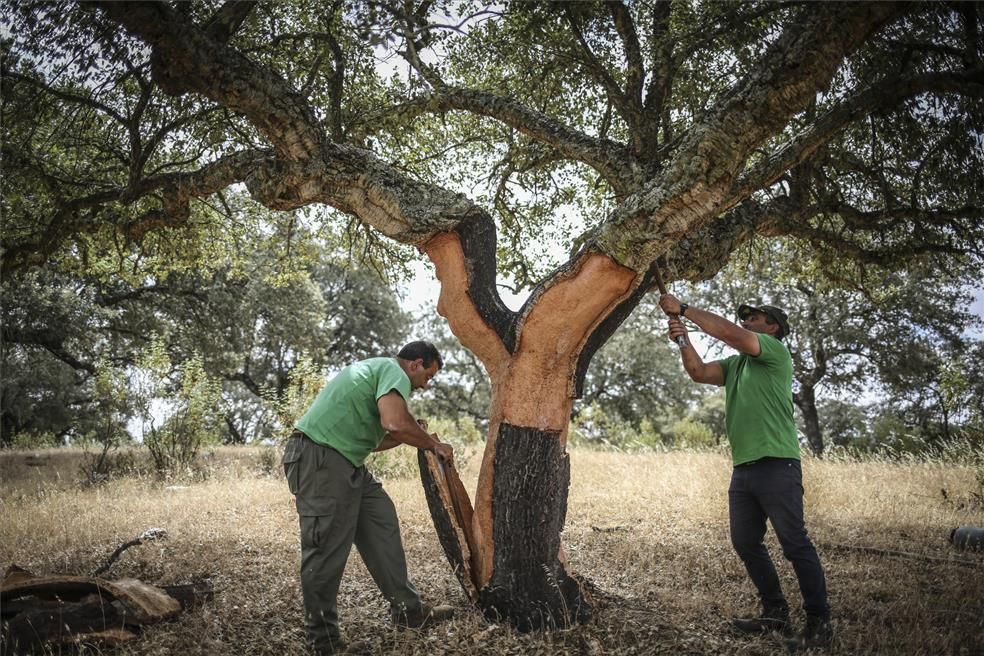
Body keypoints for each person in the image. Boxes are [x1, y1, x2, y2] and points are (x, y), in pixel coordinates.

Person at [658, 295, 832, 651]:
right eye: (747, 317)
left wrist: (685, 310)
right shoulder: (737, 365)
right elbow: (699, 373)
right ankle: (775, 611)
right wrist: (682, 338)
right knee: (745, 541)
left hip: (778, 464)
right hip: (744, 469)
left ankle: (820, 620)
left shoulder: (774, 352)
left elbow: (730, 334)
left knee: (794, 543)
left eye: (756, 317)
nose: (749, 320)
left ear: (773, 328)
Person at [281, 341, 455, 655]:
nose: (425, 385)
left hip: (347, 462)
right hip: (321, 459)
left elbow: (383, 437)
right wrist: (432, 444)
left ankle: (409, 612)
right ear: (415, 364)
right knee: (325, 550)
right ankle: (324, 644)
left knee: (381, 520)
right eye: (427, 376)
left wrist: (413, 434)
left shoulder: (378, 376)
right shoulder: (393, 370)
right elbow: (395, 424)